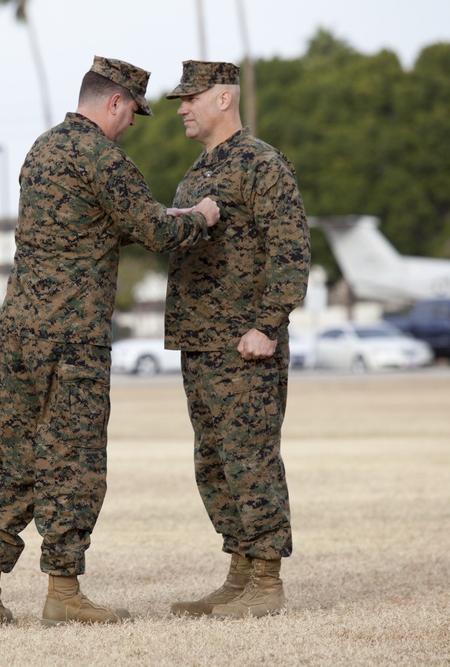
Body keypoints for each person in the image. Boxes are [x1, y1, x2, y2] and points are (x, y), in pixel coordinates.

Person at [0, 56, 221, 628]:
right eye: (133, 111)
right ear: (114, 102)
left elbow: (98, 222)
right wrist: (202, 215)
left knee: (18, 455)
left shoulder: (41, 150)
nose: (133, 123)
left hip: (22, 331)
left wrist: (153, 215)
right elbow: (153, 230)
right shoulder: (104, 158)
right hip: (73, 336)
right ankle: (63, 592)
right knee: (74, 460)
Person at [163, 61, 311, 619]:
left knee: (250, 458)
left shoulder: (261, 162)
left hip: (245, 341)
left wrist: (267, 324)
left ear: (223, 98)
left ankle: (267, 582)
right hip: (202, 341)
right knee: (213, 461)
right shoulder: (198, 171)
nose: (181, 108)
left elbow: (291, 249)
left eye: (190, 98)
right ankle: (240, 571)